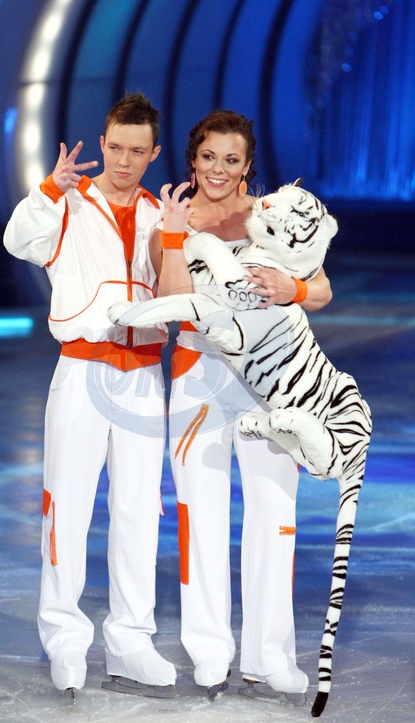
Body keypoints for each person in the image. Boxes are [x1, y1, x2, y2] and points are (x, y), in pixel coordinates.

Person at [150, 110, 332, 699]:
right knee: (200, 516)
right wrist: (173, 234)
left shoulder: (272, 213)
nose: (218, 169)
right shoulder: (173, 220)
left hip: (271, 384)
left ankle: (268, 657)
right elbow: (171, 300)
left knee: (275, 512)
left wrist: (292, 288)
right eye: (208, 157)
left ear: (248, 165)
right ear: (193, 159)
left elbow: (321, 288)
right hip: (198, 375)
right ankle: (209, 652)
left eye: (232, 160)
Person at [3, 92, 177, 696]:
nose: (123, 161)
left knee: (138, 510)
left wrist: (176, 233)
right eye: (115, 148)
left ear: (153, 153)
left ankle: (131, 641)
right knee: (68, 507)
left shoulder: (157, 213)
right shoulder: (69, 203)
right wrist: (49, 190)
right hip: (80, 371)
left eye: (137, 151)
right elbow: (16, 240)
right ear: (101, 144)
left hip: (142, 376)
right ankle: (65, 641)